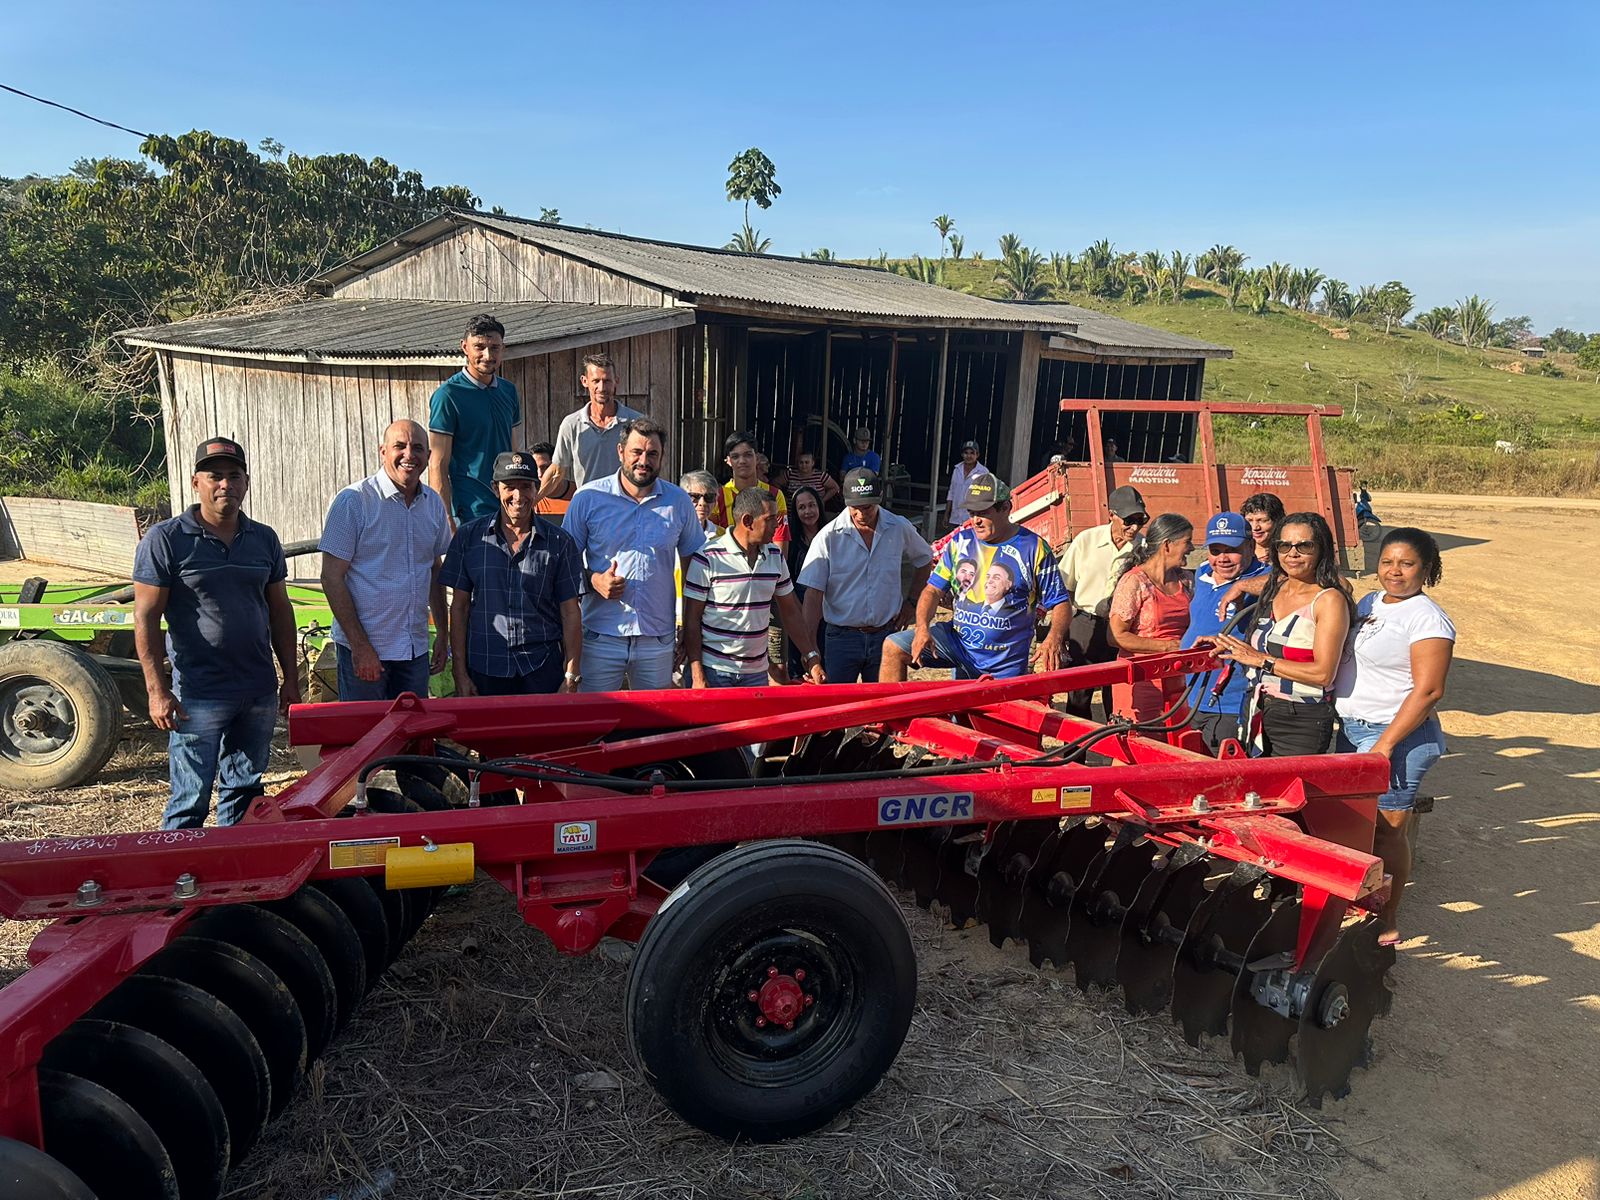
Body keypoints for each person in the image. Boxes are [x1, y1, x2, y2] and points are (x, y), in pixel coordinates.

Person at [132, 437, 300, 829]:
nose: (225, 484)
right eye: (215, 476)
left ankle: (232, 880)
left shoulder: (263, 539)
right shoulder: (166, 539)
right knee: (190, 799)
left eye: (234, 476)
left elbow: (280, 611)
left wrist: (290, 679)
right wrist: (157, 691)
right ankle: (181, 881)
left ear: (245, 482)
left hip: (257, 691)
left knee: (244, 794)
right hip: (199, 694)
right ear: (196, 483)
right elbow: (146, 618)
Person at [1334, 528, 1455, 945]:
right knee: (1356, 825)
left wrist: (1385, 744)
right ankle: (1359, 897)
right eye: (1387, 562)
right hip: (1353, 728)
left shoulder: (1428, 618)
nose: (1395, 572)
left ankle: (1387, 917)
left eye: (1407, 564)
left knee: (1387, 830)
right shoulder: (1371, 602)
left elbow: (1429, 690)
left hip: (1395, 736)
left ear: (1427, 569)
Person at [563, 418, 706, 691]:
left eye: (652, 454)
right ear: (620, 452)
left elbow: (693, 570)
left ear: (663, 456)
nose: (644, 460)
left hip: (658, 639)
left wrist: (689, 631)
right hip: (600, 636)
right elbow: (564, 566)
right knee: (594, 723)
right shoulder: (588, 498)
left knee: (653, 726)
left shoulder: (678, 502)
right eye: (636, 452)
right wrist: (593, 581)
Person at [882, 473, 1067, 682]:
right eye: (972, 512)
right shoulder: (960, 542)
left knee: (978, 713)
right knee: (893, 647)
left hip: (1005, 663)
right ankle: (892, 716)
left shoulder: (1034, 548)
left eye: (983, 513)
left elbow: (1060, 602)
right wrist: (922, 627)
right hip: (957, 643)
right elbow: (933, 590)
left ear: (1006, 508)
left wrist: (1054, 636)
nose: (976, 520)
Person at [319, 419, 451, 701]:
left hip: (413, 649)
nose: (409, 455)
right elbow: (331, 577)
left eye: (417, 448)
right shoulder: (354, 501)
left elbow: (434, 569)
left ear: (428, 456)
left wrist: (442, 631)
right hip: (368, 650)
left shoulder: (433, 505)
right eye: (399, 446)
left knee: (410, 735)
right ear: (382, 451)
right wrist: (360, 645)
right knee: (366, 736)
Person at [440, 450, 582, 695]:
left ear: (536, 488)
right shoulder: (469, 538)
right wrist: (460, 673)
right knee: (489, 734)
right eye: (509, 487)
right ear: (496, 489)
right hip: (486, 666)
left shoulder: (560, 542)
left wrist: (571, 674)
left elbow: (570, 612)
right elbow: (460, 608)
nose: (518, 496)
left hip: (541, 668)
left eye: (526, 486)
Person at [1212, 512, 1352, 757]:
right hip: (1257, 708)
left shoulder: (1329, 600)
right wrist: (1223, 644)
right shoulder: (1275, 589)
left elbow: (1323, 673)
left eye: (1304, 545)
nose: (1293, 553)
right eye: (1284, 545)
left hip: (1300, 719)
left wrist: (1260, 660)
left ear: (1321, 549)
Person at [798, 468, 933, 683]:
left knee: (884, 707)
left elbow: (925, 559)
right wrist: (811, 650)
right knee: (838, 709)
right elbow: (813, 596)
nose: (861, 515)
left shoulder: (898, 527)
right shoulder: (828, 537)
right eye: (855, 508)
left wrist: (912, 603)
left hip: (885, 636)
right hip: (841, 638)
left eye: (867, 507)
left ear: (879, 500)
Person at [684, 487, 825, 689]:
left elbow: (791, 611)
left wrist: (811, 656)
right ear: (748, 521)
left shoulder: (775, 557)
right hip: (714, 671)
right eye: (770, 519)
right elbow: (692, 620)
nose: (776, 526)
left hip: (756, 674)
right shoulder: (707, 557)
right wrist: (697, 675)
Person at [1181, 512, 1269, 752]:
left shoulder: (1262, 578)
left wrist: (1242, 586)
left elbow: (1287, 580)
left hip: (1231, 701)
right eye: (1215, 550)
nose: (1223, 559)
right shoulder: (1202, 574)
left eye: (1231, 549)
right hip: (1195, 694)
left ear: (1251, 546)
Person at [1058, 485, 1148, 718]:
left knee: (1119, 696)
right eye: (1129, 520)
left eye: (1140, 520)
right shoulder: (1087, 540)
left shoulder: (1144, 548)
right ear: (1112, 515)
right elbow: (1065, 587)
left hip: (1125, 629)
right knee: (1078, 696)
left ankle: (1118, 751)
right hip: (1086, 625)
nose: (1135, 527)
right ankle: (1075, 753)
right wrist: (1063, 631)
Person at [428, 314, 521, 524]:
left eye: (494, 348)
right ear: (464, 347)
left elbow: (513, 452)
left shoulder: (509, 391)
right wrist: (445, 520)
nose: (487, 355)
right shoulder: (449, 395)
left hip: (507, 509)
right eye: (479, 347)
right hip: (469, 512)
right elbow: (437, 464)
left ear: (503, 349)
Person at [1107, 513, 1195, 722]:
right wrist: (1168, 647)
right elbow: (1116, 636)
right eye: (1187, 542)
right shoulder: (1135, 582)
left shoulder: (1187, 581)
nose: (1191, 548)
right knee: (1137, 743)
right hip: (1141, 679)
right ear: (1167, 545)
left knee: (1175, 741)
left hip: (1178, 677)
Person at [540, 352, 644, 502]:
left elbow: (647, 467)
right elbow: (557, 471)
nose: (602, 387)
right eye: (596, 381)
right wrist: (534, 502)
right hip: (587, 508)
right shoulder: (572, 424)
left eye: (607, 381)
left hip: (625, 510)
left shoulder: (636, 423)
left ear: (616, 381)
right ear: (584, 381)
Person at [785, 485, 827, 678]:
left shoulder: (832, 536)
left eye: (812, 505)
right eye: (802, 507)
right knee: (799, 666)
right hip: (799, 610)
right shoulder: (791, 542)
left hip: (828, 612)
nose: (808, 511)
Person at [709, 432, 788, 534]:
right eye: (735, 456)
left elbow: (780, 542)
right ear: (728, 461)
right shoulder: (717, 497)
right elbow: (711, 540)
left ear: (757, 458)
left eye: (748, 455)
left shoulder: (775, 494)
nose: (742, 461)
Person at [945, 441, 989, 527]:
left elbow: (985, 496)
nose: (969, 456)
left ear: (977, 455)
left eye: (972, 453)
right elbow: (951, 493)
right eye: (966, 453)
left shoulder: (983, 472)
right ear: (962, 454)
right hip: (955, 517)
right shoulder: (957, 470)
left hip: (972, 518)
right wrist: (946, 514)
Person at [1241, 492, 1285, 567]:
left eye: (1262, 520)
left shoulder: (1287, 553)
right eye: (1250, 520)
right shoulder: (1238, 552)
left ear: (1277, 520)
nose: (1255, 527)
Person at [529, 441, 573, 512]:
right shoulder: (529, 499)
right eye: (535, 468)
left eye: (545, 467)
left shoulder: (578, 494)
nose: (539, 474)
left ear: (556, 466)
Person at [679, 470, 721, 537]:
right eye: (694, 496)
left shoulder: (722, 535)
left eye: (709, 497)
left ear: (716, 502)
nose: (702, 503)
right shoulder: (671, 533)